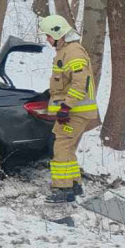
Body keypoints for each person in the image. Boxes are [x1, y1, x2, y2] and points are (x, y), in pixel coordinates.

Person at [39, 15, 99, 203]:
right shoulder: (66, 51)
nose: (47, 40)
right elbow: (65, 82)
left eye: (49, 36)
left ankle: (63, 189)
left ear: (59, 33)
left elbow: (80, 83)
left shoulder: (73, 52)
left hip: (75, 111)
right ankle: (74, 184)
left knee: (61, 146)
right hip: (74, 111)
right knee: (68, 147)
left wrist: (66, 107)